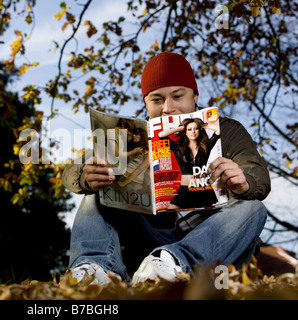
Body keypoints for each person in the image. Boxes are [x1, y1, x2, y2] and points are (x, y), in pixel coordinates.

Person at [62, 52, 270, 284]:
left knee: (254, 207)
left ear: (194, 95)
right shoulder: (131, 135)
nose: (168, 108)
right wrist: (85, 176)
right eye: (157, 100)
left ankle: (174, 263)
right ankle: (93, 269)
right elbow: (71, 171)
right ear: (146, 103)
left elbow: (258, 176)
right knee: (100, 185)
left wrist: (244, 181)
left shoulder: (228, 131)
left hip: (213, 244)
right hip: (148, 241)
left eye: (177, 96)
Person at [158, 118, 221, 209]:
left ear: (200, 130)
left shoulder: (206, 146)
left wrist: (202, 125)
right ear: (185, 132)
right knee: (170, 213)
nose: (193, 132)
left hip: (202, 189)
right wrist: (182, 127)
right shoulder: (177, 147)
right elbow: (161, 135)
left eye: (196, 129)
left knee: (205, 220)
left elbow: (218, 129)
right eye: (189, 129)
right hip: (185, 189)